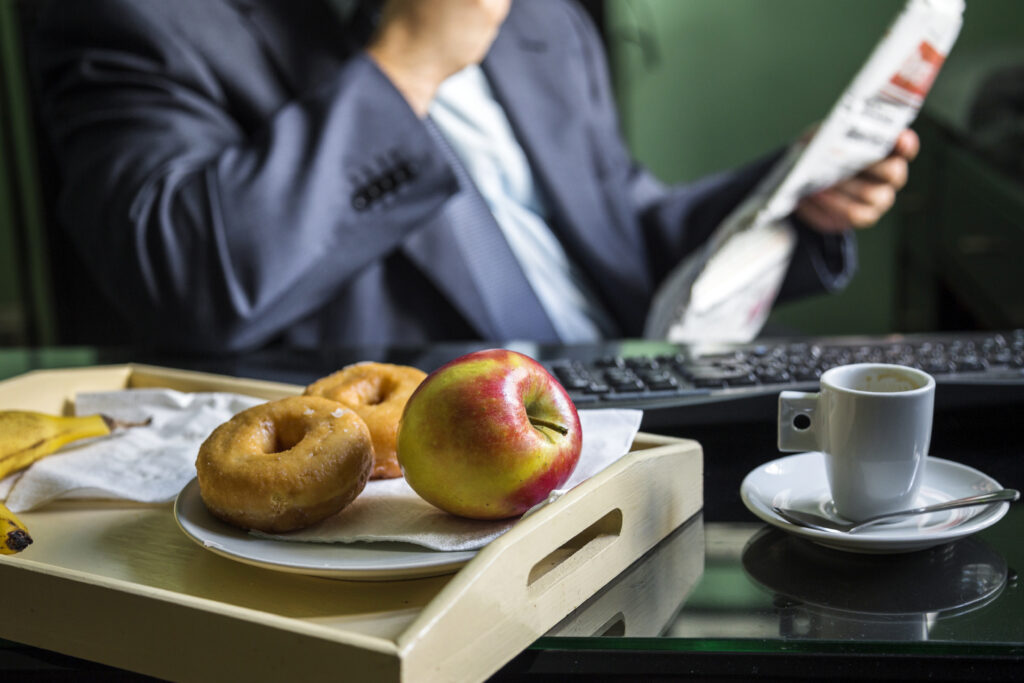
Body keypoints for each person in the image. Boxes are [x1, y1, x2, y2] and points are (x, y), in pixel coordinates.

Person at [31, 0, 917, 352]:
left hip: (646, 408)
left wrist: (797, 195)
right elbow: (185, 280)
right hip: (435, 486)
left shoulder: (540, 18)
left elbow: (625, 232)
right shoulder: (138, 20)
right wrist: (407, 68)